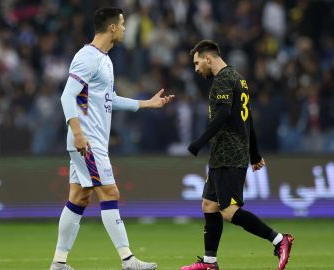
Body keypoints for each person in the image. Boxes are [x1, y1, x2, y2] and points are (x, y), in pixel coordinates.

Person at [50, 7, 174, 270]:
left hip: (89, 141)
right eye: (123, 24)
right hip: (87, 142)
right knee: (110, 192)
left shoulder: (105, 60)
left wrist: (146, 104)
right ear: (113, 28)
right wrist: (78, 132)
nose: (126, 29)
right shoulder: (87, 56)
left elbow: (110, 100)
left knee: (79, 197)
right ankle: (128, 260)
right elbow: (66, 96)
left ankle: (59, 262)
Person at [180, 40, 293, 270]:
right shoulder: (238, 78)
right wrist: (254, 153)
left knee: (229, 211)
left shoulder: (222, 79)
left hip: (228, 153)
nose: (196, 68)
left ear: (207, 58)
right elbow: (247, 118)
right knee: (208, 204)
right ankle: (210, 263)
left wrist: (198, 143)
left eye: (196, 62)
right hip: (227, 153)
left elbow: (223, 115)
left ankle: (280, 240)